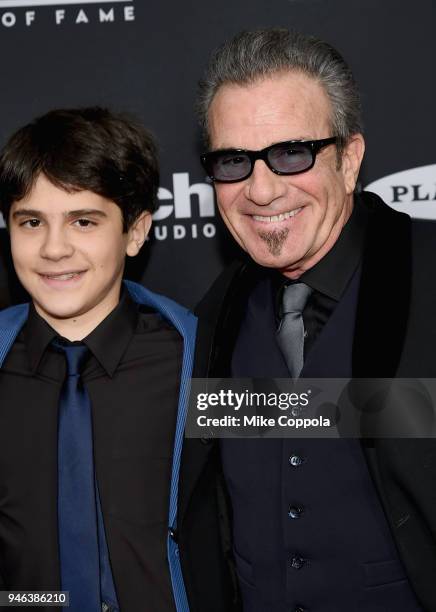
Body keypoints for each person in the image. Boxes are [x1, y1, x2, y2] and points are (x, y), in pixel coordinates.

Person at [194, 28, 436, 611]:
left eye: (290, 153)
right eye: (233, 161)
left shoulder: (427, 279)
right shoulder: (213, 315)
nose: (261, 189)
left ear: (350, 160)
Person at [0, 107, 232, 612]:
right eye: (31, 221)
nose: (54, 248)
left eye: (83, 221)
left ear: (135, 231)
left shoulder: (203, 358)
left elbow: (352, 424)